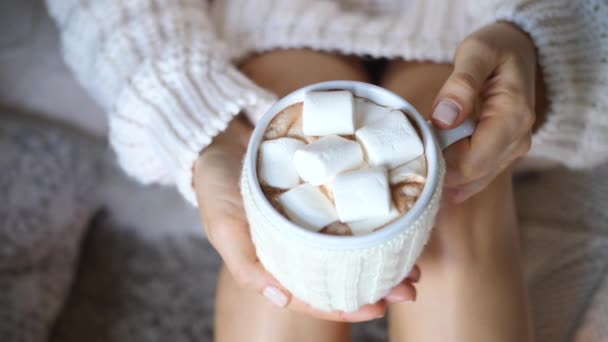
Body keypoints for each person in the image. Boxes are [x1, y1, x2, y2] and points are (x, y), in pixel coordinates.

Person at [6, 0, 607, 341]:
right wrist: (197, 119)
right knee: (284, 251)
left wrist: (547, 49)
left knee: (453, 196)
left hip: (482, 19)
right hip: (271, 17)